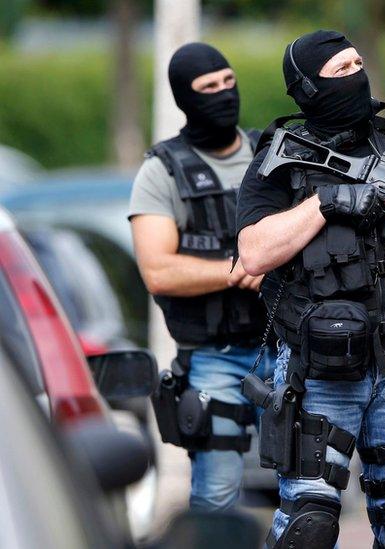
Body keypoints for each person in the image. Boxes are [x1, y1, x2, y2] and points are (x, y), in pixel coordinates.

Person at [236, 30, 385, 548]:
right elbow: (252, 252)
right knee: (309, 526)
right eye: (339, 71)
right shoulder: (281, 159)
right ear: (307, 88)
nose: (355, 76)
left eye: (357, 64)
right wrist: (325, 203)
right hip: (319, 367)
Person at [128, 42, 275, 510]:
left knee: (309, 498)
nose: (223, 94)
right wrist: (238, 268)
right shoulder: (160, 172)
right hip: (217, 358)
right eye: (208, 88)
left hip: (288, 348)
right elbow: (158, 271)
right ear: (184, 98)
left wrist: (271, 259)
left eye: (229, 82)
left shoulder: (270, 154)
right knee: (216, 496)